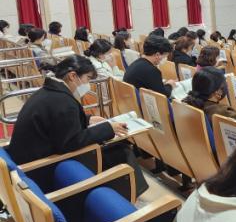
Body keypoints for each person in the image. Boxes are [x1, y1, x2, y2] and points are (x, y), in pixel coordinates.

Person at [6, 56, 147, 194]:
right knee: (121, 152)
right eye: (88, 79)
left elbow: (58, 123)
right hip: (42, 169)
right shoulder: (63, 101)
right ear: (73, 76)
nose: (88, 84)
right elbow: (71, 142)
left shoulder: (49, 92)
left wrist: (88, 119)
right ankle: (127, 197)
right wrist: (108, 128)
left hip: (31, 158)